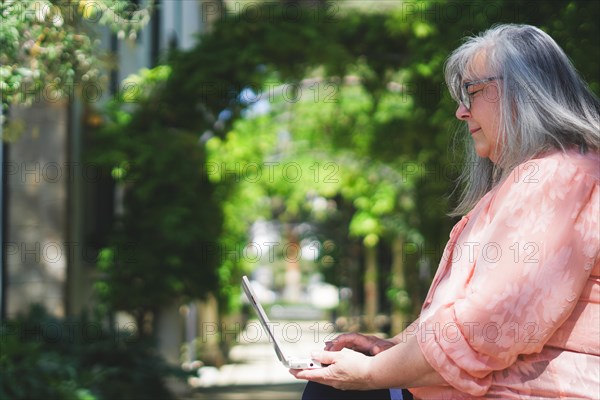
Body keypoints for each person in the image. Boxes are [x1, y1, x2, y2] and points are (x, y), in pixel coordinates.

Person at [290, 23, 600, 399]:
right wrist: (391, 348)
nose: (460, 112)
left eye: (471, 92)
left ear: (522, 91)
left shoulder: (560, 176)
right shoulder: (548, 175)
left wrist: (373, 372)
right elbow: (464, 320)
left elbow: (488, 325)